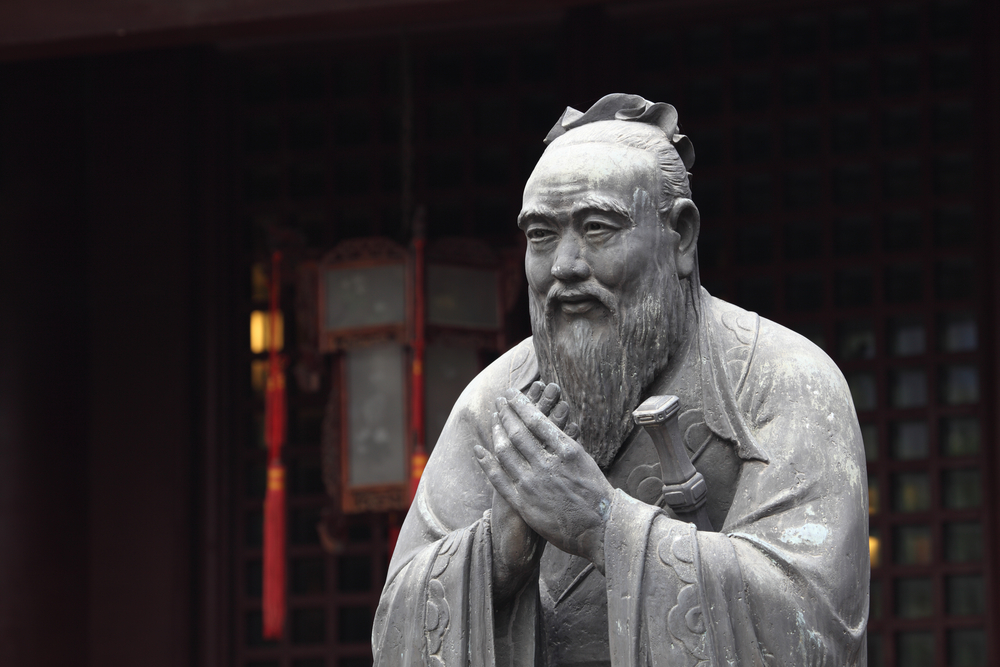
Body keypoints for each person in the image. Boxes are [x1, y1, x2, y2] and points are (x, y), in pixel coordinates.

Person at [373, 94, 869, 666]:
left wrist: (605, 526)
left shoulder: (783, 379)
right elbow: (397, 630)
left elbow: (811, 620)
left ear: (680, 236)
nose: (565, 265)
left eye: (597, 227)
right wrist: (494, 556)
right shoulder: (497, 403)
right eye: (541, 235)